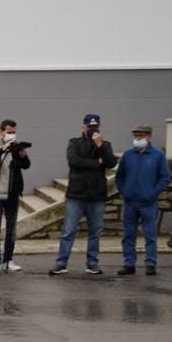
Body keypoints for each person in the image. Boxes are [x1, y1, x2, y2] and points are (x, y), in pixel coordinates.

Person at [49, 114, 117, 276]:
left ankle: (92, 264)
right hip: (76, 194)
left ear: (99, 128)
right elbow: (73, 161)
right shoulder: (74, 142)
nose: (92, 130)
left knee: (95, 231)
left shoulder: (105, 145)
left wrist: (99, 146)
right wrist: (96, 163)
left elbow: (111, 163)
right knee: (69, 230)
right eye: (89, 127)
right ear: (83, 127)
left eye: (95, 127)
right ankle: (61, 263)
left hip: (97, 195)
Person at [115, 124, 170, 276]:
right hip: (130, 202)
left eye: (141, 136)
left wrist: (152, 194)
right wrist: (124, 192)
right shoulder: (128, 155)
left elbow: (165, 178)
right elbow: (119, 176)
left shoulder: (157, 155)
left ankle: (150, 264)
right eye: (136, 136)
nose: (137, 138)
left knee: (150, 235)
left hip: (149, 203)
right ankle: (129, 264)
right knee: (128, 235)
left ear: (149, 136)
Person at [0, 119, 30, 273]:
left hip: (12, 194)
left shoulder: (16, 147)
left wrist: (22, 155)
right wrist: (3, 149)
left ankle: (8, 260)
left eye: (14, 132)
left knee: (11, 229)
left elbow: (26, 165)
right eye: (9, 132)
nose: (11, 135)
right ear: (1, 132)